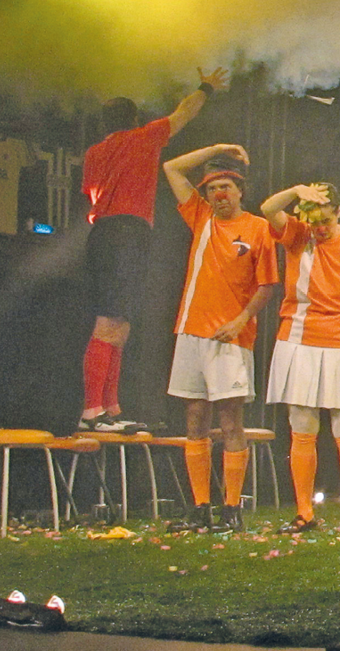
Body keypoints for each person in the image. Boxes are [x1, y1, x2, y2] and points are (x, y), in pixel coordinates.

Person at [77, 67, 229, 432]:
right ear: (133, 119)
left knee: (121, 325)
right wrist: (206, 87)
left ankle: (110, 408)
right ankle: (92, 412)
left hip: (107, 233)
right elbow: (184, 113)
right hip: (123, 233)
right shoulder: (142, 138)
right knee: (108, 323)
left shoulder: (94, 153)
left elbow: (90, 193)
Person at [161, 144, 278, 531]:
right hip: (191, 331)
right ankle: (199, 508)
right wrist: (214, 149)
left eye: (226, 186)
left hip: (231, 337)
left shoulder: (258, 228)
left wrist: (241, 319)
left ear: (240, 190)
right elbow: (172, 168)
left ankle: (231, 510)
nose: (219, 195)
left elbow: (266, 286)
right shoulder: (200, 217)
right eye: (212, 189)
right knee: (195, 418)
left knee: (230, 419)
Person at [259, 180, 340, 534]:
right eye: (315, 221)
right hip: (299, 338)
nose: (320, 227)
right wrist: (298, 191)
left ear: (339, 212)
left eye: (326, 219)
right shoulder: (299, 234)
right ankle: (304, 512)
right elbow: (267, 208)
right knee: (303, 427)